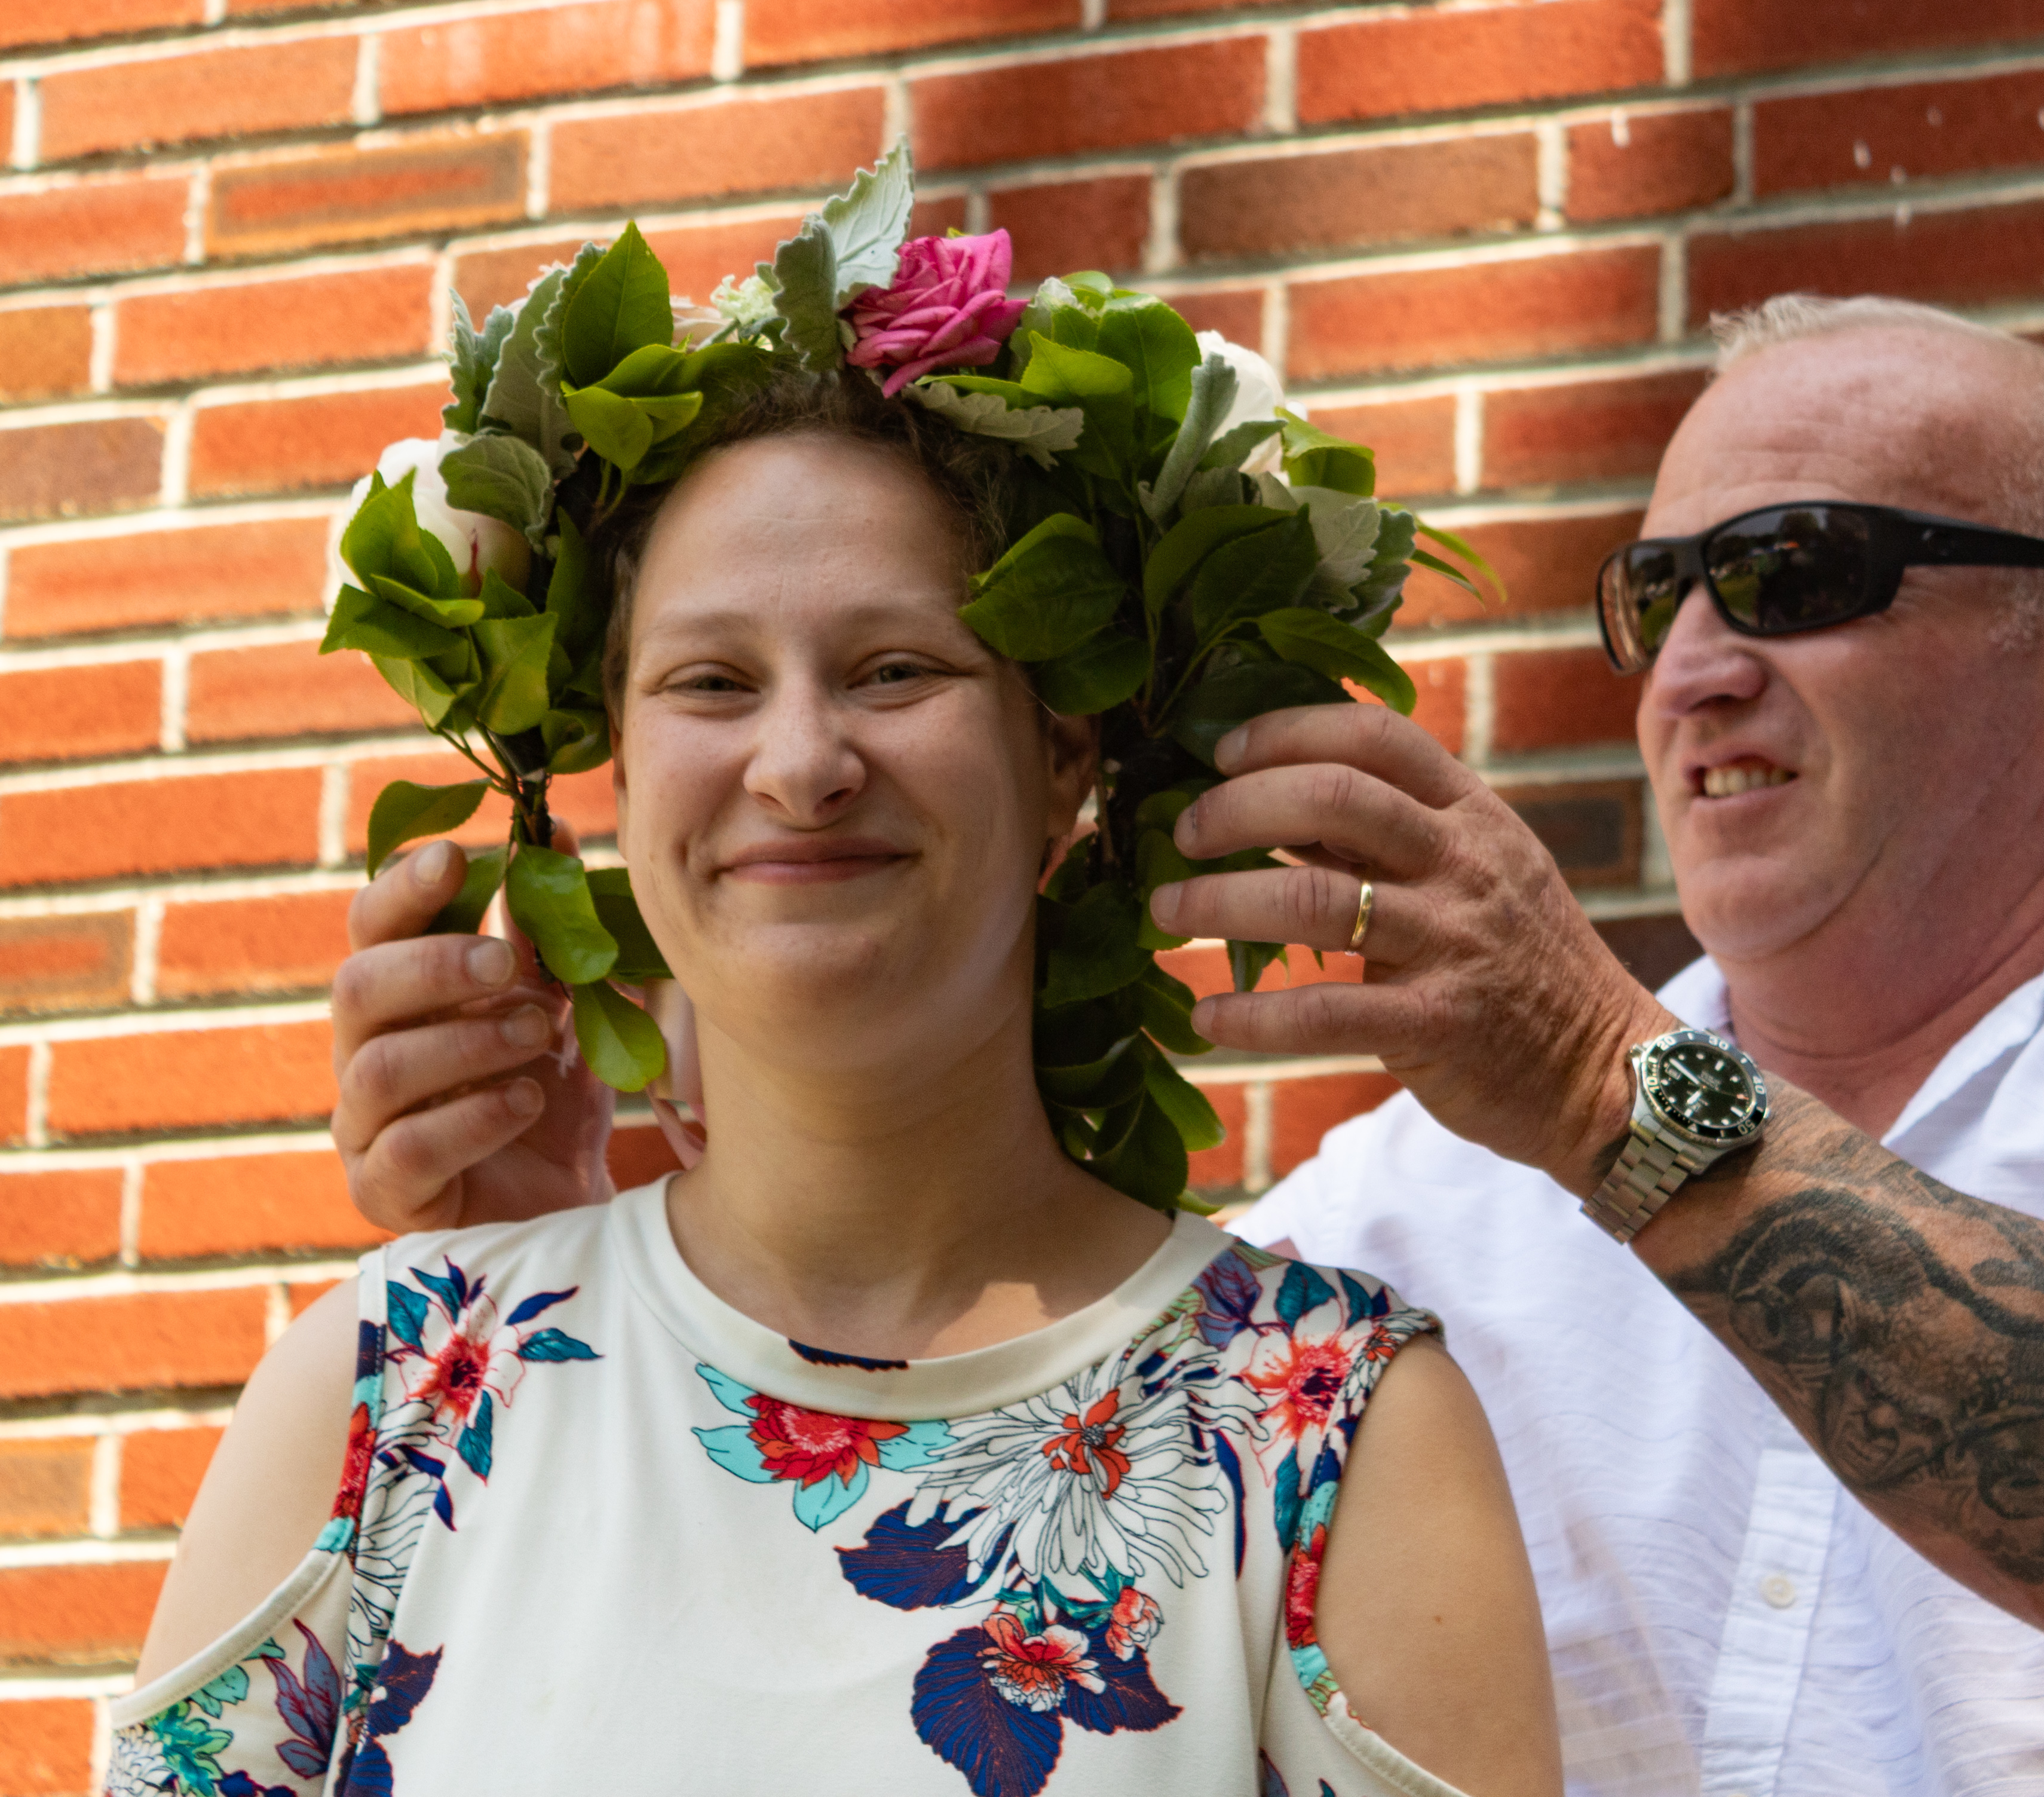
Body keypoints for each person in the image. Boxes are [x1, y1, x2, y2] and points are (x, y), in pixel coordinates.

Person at [328, 293, 2044, 1795]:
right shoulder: (1417, 1211)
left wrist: (1605, 1089)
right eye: (1658, 594)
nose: (1692, 666)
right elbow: (961, 1580)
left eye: (1802, 571)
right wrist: (603, 1260)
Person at [117, 372, 1559, 1797]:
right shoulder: (389, 1392)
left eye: (894, 670)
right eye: (711, 682)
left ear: (1064, 757)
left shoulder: (1331, 1437)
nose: (802, 763)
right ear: (614, 761)